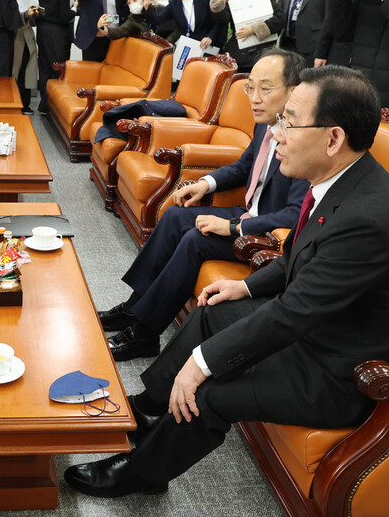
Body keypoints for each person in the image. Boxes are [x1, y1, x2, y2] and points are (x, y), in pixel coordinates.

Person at [66, 65, 389, 498]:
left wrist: (201, 365)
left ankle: (142, 475)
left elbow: (292, 314)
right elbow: (298, 257)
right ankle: (149, 409)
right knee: (213, 311)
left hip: (339, 372)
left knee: (213, 388)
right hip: (318, 333)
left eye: (289, 122)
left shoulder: (367, 218)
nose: (275, 133)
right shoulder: (340, 182)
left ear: (333, 138)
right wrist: (245, 287)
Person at [100, 49, 310, 361]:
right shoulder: (266, 123)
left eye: (265, 89)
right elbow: (244, 166)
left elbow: (295, 214)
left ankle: (144, 333)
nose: (254, 97)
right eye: (250, 87)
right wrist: (204, 183)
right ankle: (134, 308)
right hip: (248, 212)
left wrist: (234, 227)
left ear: (293, 91)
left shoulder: (306, 139)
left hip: (268, 233)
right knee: (174, 216)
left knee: (196, 240)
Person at [210, 0, 284, 72]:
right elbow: (222, 20)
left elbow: (280, 19)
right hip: (239, 53)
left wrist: (254, 29)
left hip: (263, 53)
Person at [36, 0, 76, 115]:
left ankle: (44, 102)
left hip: (43, 31)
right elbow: (63, 16)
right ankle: (50, 105)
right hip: (58, 34)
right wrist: (74, 9)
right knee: (58, 69)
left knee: (45, 67)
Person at [13, 0, 40, 113]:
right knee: (16, 71)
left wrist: (35, 14)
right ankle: (16, 102)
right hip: (16, 38)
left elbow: (32, 22)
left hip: (28, 38)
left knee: (27, 71)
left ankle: (26, 103)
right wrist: (25, 15)